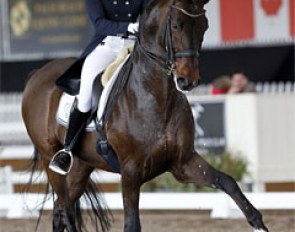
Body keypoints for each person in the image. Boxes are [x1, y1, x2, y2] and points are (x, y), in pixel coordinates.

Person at [49, 0, 149, 175]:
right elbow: (100, 24)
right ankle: (68, 149)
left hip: (135, 46)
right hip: (107, 46)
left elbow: (150, 13)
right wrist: (129, 26)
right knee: (85, 97)